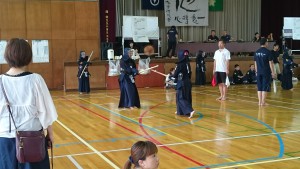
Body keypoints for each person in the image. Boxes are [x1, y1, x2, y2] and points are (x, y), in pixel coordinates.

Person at [0, 38, 58, 169]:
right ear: (28, 56)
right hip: (32, 139)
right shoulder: (35, 80)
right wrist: (50, 135)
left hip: (4, 141)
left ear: (7, 56)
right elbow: (46, 111)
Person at [254, 38, 276, 106]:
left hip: (259, 72)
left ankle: (259, 102)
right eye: (267, 42)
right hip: (266, 72)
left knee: (259, 87)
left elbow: (255, 63)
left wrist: (256, 71)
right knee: (264, 87)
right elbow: (270, 63)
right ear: (265, 43)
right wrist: (273, 72)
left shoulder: (256, 52)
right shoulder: (268, 52)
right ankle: (263, 102)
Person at [174, 50, 195, 118]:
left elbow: (175, 74)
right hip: (187, 82)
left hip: (182, 83)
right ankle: (181, 111)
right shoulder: (187, 63)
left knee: (180, 98)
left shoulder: (180, 64)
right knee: (186, 97)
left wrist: (172, 75)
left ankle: (190, 110)